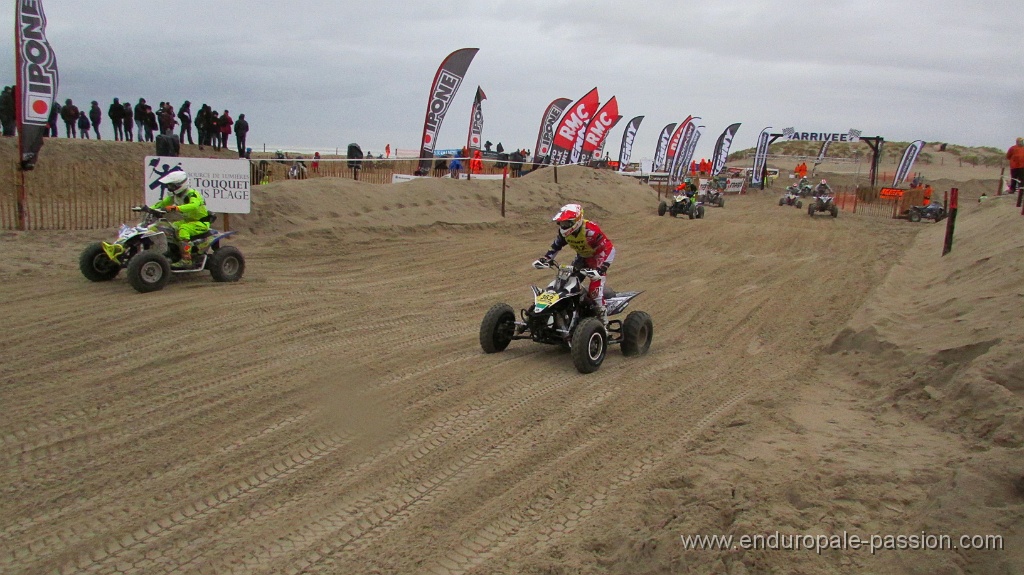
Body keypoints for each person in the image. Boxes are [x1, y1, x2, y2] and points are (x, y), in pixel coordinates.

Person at [535, 203, 616, 324]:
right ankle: (570, 313)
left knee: (595, 292)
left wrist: (602, 268)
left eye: (566, 223)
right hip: (582, 259)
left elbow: (610, 249)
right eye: (561, 223)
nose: (563, 226)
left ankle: (604, 324)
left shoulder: (591, 231)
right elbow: (556, 246)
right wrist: (546, 259)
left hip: (598, 259)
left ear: (576, 221)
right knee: (566, 284)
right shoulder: (565, 234)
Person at [149, 171, 210, 269]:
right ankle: (171, 251)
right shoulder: (175, 196)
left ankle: (186, 259)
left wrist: (175, 208)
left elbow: (194, 205)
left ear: (179, 185)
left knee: (183, 229)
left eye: (172, 186)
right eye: (169, 186)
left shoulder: (192, 194)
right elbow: (162, 203)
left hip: (200, 222)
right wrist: (149, 209)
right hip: (188, 221)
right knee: (167, 227)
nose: (170, 188)